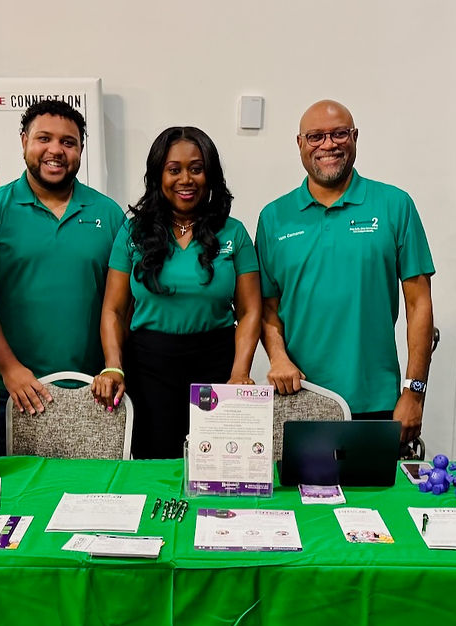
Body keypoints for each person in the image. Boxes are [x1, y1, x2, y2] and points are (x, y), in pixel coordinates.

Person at [255, 100, 435, 444]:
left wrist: (414, 392)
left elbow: (419, 304)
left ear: (354, 137)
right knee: (296, 497)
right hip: (300, 398)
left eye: (339, 134)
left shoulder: (394, 205)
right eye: (315, 137)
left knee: (375, 498)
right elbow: (266, 308)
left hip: (376, 400)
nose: (328, 145)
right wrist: (277, 358)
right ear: (299, 143)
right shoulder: (274, 217)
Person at [92, 126, 261, 459]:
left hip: (217, 365)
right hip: (149, 367)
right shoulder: (132, 231)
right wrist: (113, 365)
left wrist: (240, 372)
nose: (186, 179)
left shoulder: (234, 233)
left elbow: (250, 310)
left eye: (196, 169)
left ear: (209, 175)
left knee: (215, 465)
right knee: (153, 465)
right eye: (174, 170)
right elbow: (113, 309)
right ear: (158, 176)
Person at [0, 100, 124, 448]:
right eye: (44, 138)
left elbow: (120, 304)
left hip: (90, 394)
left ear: (81, 149)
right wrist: (11, 369)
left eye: (68, 142)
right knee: (12, 500)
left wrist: (113, 366)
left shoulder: (109, 214)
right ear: (24, 141)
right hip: (8, 393)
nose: (55, 150)